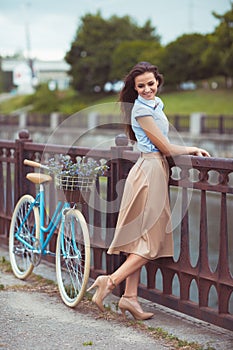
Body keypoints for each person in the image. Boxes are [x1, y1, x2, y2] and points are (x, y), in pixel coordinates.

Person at [87, 61, 210, 320]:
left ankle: (129, 298)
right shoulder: (141, 111)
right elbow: (164, 148)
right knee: (152, 242)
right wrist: (191, 149)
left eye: (150, 84)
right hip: (150, 171)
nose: (146, 89)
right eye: (140, 86)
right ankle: (109, 282)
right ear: (134, 88)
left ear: (158, 81)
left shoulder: (155, 104)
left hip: (151, 169)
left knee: (139, 238)